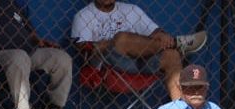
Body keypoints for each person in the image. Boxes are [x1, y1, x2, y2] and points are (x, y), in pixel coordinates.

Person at [70, 0, 207, 101]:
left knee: (171, 54)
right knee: (121, 39)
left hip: (141, 63)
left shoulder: (131, 10)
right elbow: (85, 51)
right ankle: (178, 44)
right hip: (109, 67)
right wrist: (110, 43)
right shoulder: (83, 16)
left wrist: (164, 38)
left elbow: (158, 33)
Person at [0, 0, 72, 109]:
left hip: (29, 51)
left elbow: (26, 27)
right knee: (20, 57)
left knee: (61, 58)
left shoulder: (10, 4)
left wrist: (38, 40)